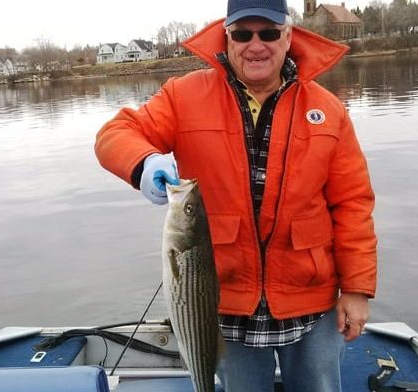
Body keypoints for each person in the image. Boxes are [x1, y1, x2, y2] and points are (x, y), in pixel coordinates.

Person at [95, 0, 377, 390]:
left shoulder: (327, 110)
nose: (255, 45)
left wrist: (358, 290)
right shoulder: (184, 96)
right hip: (223, 302)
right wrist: (144, 163)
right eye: (243, 34)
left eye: (269, 33)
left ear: (289, 36)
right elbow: (116, 134)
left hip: (312, 301)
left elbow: (353, 204)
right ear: (226, 36)